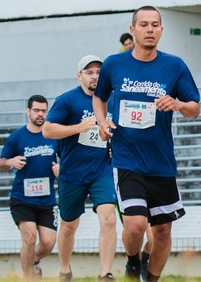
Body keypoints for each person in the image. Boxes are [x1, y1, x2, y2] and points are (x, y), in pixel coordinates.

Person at [94, 6, 201, 282]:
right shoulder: (114, 64)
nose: (150, 29)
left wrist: (177, 104)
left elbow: (194, 108)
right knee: (136, 224)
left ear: (162, 31)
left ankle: (151, 276)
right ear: (133, 30)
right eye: (143, 24)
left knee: (163, 231)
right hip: (126, 158)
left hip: (161, 161)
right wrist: (102, 122)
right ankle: (132, 262)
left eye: (155, 24)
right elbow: (99, 97)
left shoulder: (174, 65)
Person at [42, 55, 117, 282]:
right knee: (68, 226)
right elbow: (47, 130)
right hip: (72, 173)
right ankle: (65, 270)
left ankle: (106, 274)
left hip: (101, 169)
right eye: (89, 72)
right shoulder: (67, 100)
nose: (95, 76)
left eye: (98, 72)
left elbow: (119, 129)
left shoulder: (111, 100)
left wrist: (116, 145)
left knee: (109, 217)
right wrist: (79, 127)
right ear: (79, 75)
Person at [0, 95, 59, 281]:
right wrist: (10, 161)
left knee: (48, 243)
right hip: (22, 198)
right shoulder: (17, 137)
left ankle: (31, 261)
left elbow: (69, 157)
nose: (40, 114)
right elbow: (0, 162)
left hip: (47, 199)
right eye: (37, 110)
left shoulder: (53, 135)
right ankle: (27, 278)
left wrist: (61, 168)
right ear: (28, 111)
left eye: (44, 110)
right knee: (30, 237)